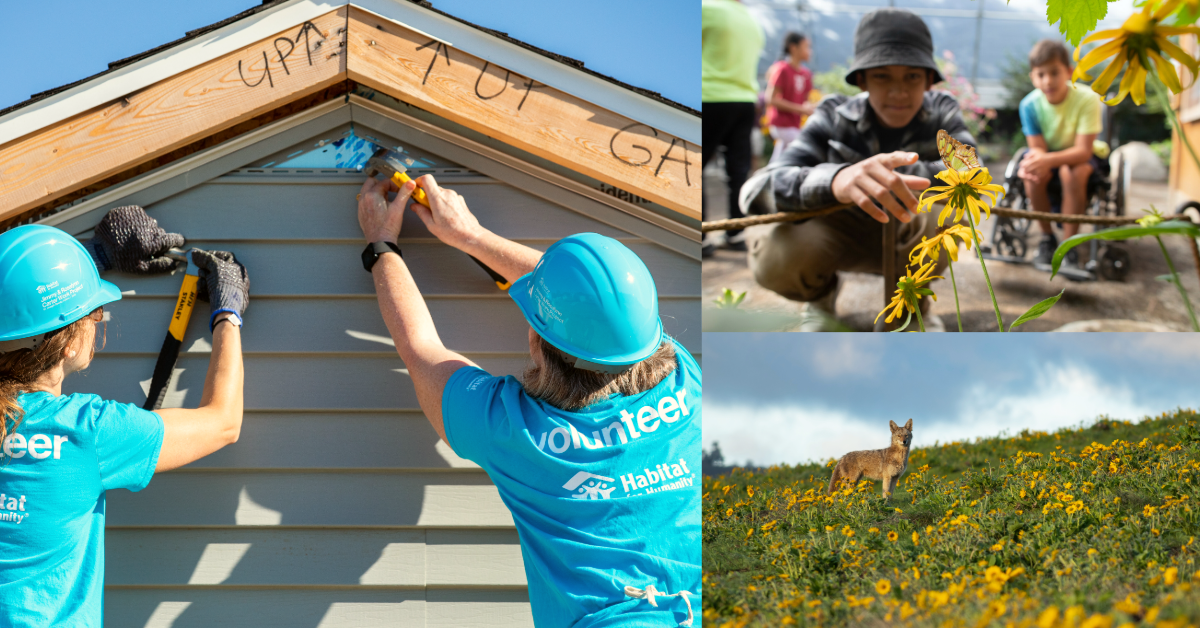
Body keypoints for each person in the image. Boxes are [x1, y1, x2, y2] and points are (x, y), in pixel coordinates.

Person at [355, 175, 701, 627]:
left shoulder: (514, 430)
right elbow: (599, 306)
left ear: (538, 342)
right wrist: (470, 236)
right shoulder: (684, 382)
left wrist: (380, 243)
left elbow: (420, 349)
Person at [0, 207, 249, 626]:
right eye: (95, 313)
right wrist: (228, 313)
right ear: (66, 343)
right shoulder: (89, 431)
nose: (99, 321)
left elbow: (19, 310)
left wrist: (94, 257)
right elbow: (224, 421)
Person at [739, 8, 975, 329]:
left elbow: (973, 172)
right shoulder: (833, 114)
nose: (898, 91)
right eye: (882, 76)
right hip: (837, 235)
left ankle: (910, 309)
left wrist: (887, 177)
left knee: (947, 217)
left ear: (929, 80)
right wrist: (837, 179)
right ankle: (820, 299)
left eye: (912, 76)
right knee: (776, 252)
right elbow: (756, 190)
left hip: (912, 234)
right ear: (861, 79)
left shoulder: (943, 113)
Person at [1017, 39, 1105, 270]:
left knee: (1071, 173)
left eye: (1054, 72)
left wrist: (1046, 159)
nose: (1047, 81)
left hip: (1082, 158)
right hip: (1048, 155)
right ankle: (1047, 238)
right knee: (1032, 173)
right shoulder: (1029, 105)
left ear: (1068, 72)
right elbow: (1037, 148)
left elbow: (1083, 151)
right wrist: (1038, 162)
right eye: (1041, 74)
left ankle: (1069, 244)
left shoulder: (1087, 98)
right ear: (1033, 78)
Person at [702, 0, 765, 256]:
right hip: (744, 100)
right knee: (738, 171)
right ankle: (736, 233)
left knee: (694, 166)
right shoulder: (752, 21)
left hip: (710, 97)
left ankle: (703, 237)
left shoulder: (707, 8)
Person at [765, 32, 816, 162]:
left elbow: (804, 102)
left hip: (794, 124)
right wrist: (801, 110)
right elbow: (770, 98)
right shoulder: (782, 69)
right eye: (806, 46)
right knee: (802, 149)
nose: (809, 51)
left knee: (780, 157)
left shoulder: (806, 74)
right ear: (794, 48)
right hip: (781, 124)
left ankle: (769, 177)